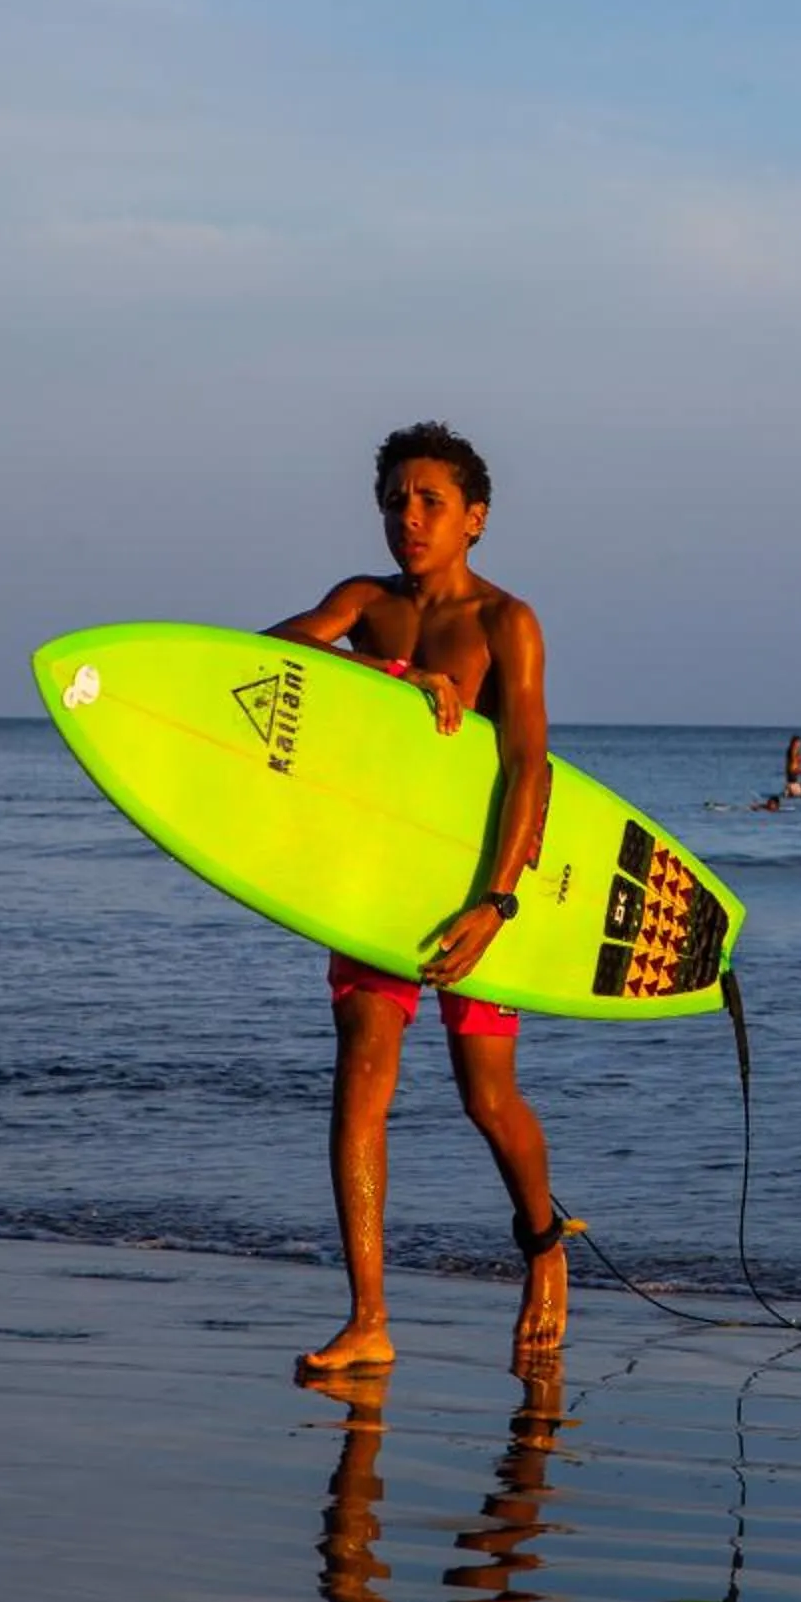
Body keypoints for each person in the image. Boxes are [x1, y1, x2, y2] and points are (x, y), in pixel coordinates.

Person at [263, 423, 559, 1379]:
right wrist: (395, 678)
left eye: (431, 501)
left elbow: (525, 768)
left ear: (475, 518)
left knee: (486, 1095)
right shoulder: (365, 604)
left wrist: (498, 903)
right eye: (396, 500)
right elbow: (266, 658)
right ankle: (369, 1319)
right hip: (379, 880)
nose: (410, 518)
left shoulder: (504, 623)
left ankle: (546, 1246)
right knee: (361, 1080)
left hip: (478, 880)